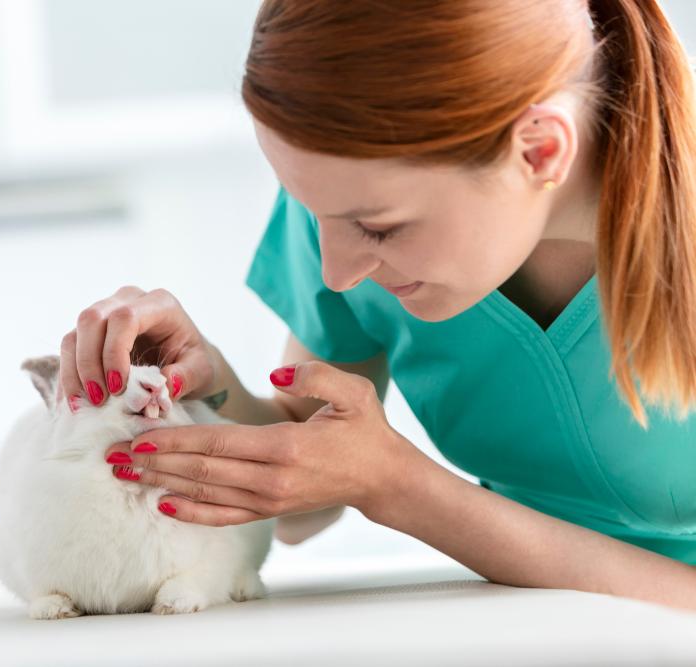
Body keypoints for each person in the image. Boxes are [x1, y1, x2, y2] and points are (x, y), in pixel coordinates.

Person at [59, 0, 696, 611]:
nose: (337, 274)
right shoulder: (344, 209)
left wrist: (402, 488)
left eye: (379, 228)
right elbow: (305, 507)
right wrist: (207, 383)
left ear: (539, 151)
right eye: (313, 213)